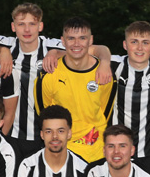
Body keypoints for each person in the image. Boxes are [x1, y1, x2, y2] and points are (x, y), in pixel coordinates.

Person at [34, 17, 117, 163]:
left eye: (82, 38)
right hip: (63, 153)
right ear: (63, 41)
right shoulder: (48, 75)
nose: (77, 44)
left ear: (90, 40)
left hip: (97, 153)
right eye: (71, 38)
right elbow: (44, 118)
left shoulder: (105, 75)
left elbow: (105, 113)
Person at [110, 21, 150, 174]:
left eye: (145, 42)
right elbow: (82, 52)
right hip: (117, 149)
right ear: (125, 45)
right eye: (134, 42)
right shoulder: (114, 64)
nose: (139, 48)